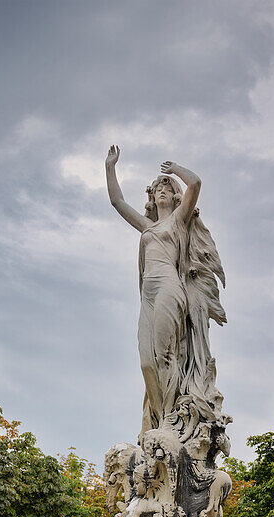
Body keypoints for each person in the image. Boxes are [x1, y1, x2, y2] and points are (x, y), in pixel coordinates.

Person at [105, 145, 226, 439]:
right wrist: (110, 167)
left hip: (170, 287)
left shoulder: (179, 220)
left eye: (166, 187)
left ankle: (171, 421)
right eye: (157, 187)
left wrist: (175, 171)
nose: (161, 190)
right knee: (147, 360)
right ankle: (160, 421)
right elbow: (117, 201)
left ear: (175, 196)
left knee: (164, 354)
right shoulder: (146, 226)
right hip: (147, 293)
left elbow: (195, 183)